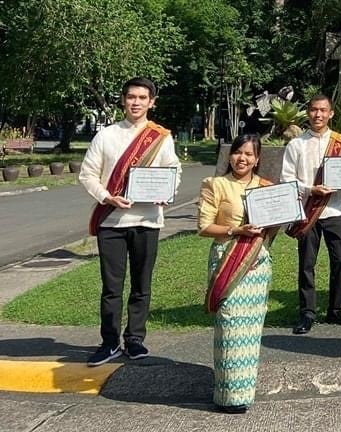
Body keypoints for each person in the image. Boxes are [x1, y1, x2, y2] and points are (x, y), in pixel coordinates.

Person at [79, 77, 181, 366]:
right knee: (111, 287)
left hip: (147, 220)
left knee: (141, 284)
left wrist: (166, 194)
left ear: (152, 102)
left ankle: (134, 339)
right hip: (111, 221)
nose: (136, 102)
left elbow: (173, 173)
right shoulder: (106, 136)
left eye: (142, 97)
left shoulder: (161, 137)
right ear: (123, 100)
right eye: (131, 97)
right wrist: (107, 197)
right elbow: (87, 174)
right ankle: (109, 342)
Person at [198, 134, 276, 414]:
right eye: (238, 152)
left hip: (257, 264)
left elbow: (274, 226)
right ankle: (226, 395)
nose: (242, 158)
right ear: (230, 155)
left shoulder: (267, 187)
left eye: (249, 154)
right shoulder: (215, 185)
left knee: (251, 330)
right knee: (229, 325)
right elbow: (204, 226)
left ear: (257, 159)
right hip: (227, 259)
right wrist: (236, 230)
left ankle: (245, 392)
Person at [283, 94, 341, 332]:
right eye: (314, 110)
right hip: (307, 211)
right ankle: (307, 312)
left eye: (323, 110)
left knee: (340, 262)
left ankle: (335, 310)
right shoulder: (296, 144)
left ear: (331, 113)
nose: (318, 115)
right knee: (306, 263)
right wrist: (310, 189)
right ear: (308, 112)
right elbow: (286, 179)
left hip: (336, 210)